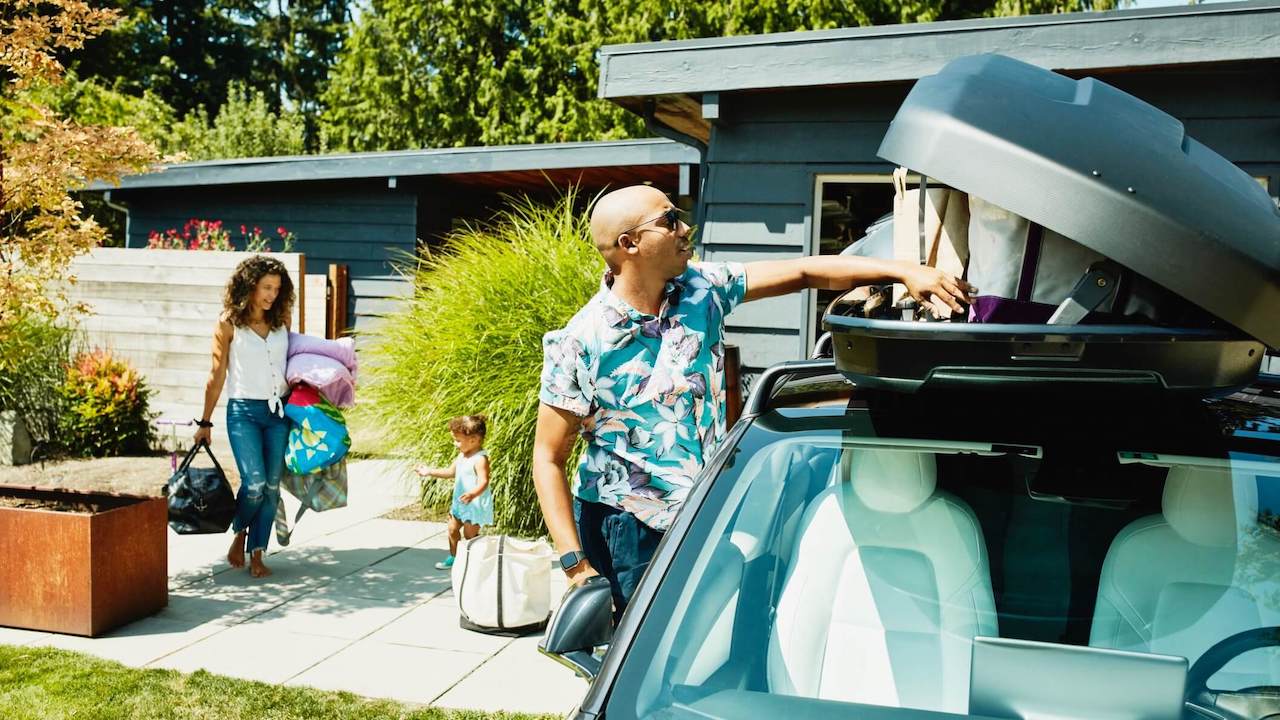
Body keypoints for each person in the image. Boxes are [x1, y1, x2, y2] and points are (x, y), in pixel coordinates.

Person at [532, 185, 973, 619]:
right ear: (628, 244)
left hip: (700, 512)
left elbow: (803, 271)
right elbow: (549, 458)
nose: (686, 227)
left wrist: (901, 272)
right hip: (629, 527)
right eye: (669, 221)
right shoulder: (581, 342)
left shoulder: (701, 289)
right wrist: (575, 565)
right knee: (639, 661)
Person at [194, 255, 295, 579]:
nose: (271, 295)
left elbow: (292, 364)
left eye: (277, 289)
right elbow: (216, 375)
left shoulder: (282, 320)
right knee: (255, 484)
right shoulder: (228, 322)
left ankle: (257, 551)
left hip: (277, 412)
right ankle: (240, 531)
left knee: (272, 487)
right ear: (249, 286)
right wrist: (205, 422)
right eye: (266, 287)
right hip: (244, 414)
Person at [416, 415, 494, 570]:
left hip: (474, 504)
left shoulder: (480, 459)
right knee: (452, 529)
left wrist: (472, 494)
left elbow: (484, 481)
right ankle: (454, 557)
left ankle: (484, 555)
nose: (455, 443)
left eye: (458, 440)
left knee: (470, 535)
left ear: (473, 440)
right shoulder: (462, 455)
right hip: (460, 502)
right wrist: (429, 471)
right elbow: (450, 472)